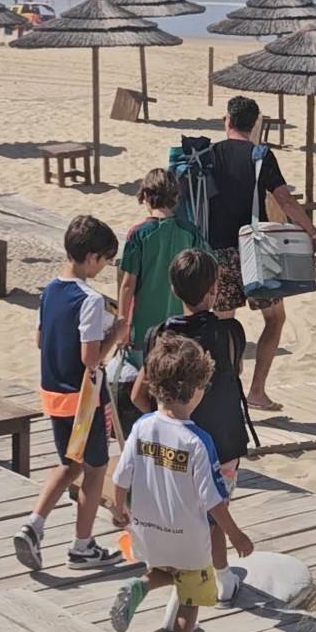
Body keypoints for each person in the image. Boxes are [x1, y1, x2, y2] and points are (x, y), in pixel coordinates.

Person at [109, 335, 253, 632]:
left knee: (167, 571)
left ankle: (139, 585)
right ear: (196, 390)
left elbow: (121, 476)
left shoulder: (142, 427)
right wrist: (235, 535)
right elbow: (212, 499)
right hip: (188, 536)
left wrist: (118, 510)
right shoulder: (197, 441)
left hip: (148, 529)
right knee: (192, 596)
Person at [132, 248, 250, 632]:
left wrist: (163, 423)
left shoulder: (159, 335)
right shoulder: (230, 333)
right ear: (214, 289)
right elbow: (234, 375)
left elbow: (137, 395)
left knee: (187, 521)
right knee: (212, 517)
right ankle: (200, 597)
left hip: (172, 445)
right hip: (221, 443)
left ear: (173, 288)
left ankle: (220, 578)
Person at [13, 215, 128, 573]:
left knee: (68, 463)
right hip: (84, 400)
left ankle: (33, 524)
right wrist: (116, 335)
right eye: (105, 260)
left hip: (53, 393)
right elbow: (90, 358)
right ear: (92, 257)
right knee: (94, 469)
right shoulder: (90, 299)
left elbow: (39, 339)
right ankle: (82, 547)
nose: (104, 267)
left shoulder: (49, 290)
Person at [207, 95, 316, 411]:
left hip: (219, 252)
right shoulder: (261, 155)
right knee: (275, 318)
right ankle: (257, 391)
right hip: (256, 252)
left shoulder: (210, 154)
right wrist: (312, 233)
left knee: (222, 324)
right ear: (255, 124)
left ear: (227, 120)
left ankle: (223, 393)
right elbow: (285, 200)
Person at [114, 169, 211, 438]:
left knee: (143, 391)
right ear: (176, 197)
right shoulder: (189, 231)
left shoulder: (139, 234)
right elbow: (208, 267)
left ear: (145, 196)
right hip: (181, 327)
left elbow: (127, 284)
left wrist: (123, 322)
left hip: (144, 328)